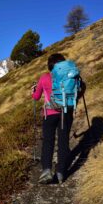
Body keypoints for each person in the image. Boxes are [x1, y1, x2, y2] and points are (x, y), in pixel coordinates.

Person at [31, 53, 74, 184]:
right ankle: (60, 172)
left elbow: (36, 97)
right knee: (63, 142)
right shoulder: (69, 76)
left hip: (49, 114)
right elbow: (78, 91)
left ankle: (46, 171)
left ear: (50, 66)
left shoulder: (44, 77)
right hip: (65, 113)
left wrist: (33, 91)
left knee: (48, 141)